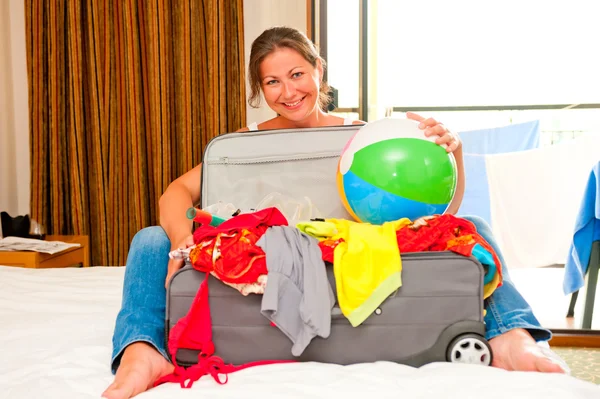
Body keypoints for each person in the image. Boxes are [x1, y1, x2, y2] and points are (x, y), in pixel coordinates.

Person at [102, 26, 567, 399]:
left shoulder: (370, 137)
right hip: (271, 255)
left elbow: (442, 211)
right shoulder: (245, 144)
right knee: (149, 239)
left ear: (318, 70)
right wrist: (184, 240)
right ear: (259, 88)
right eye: (272, 81)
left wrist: (455, 155)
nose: (288, 91)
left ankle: (510, 335)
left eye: (297, 73)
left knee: (473, 227)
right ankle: (142, 350)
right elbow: (175, 193)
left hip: (356, 249)